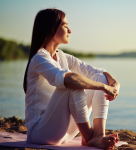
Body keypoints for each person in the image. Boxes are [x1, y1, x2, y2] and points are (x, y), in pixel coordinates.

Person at [23, 8, 120, 150]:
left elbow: (97, 72)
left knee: (98, 77)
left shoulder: (62, 56)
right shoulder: (39, 58)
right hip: (40, 133)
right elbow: (69, 79)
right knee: (72, 83)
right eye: (65, 25)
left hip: (65, 132)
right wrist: (104, 87)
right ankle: (88, 137)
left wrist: (115, 83)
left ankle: (98, 135)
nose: (70, 31)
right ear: (51, 28)